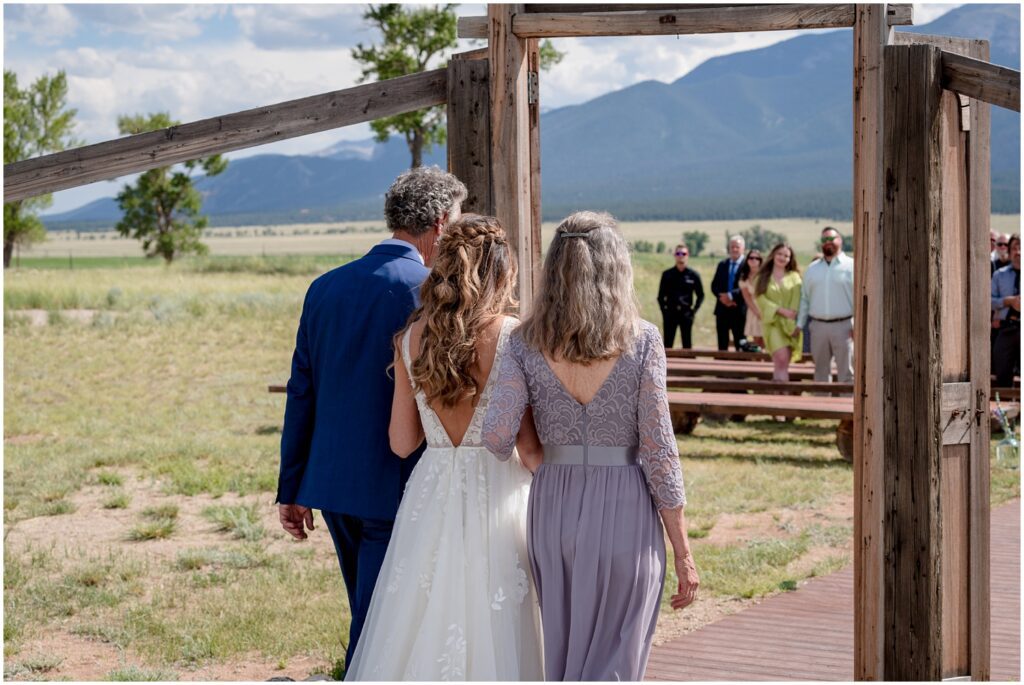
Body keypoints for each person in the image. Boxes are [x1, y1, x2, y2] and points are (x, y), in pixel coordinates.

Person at [483, 211, 699, 681]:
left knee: (563, 652)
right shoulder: (643, 341)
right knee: (617, 658)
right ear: (616, 268)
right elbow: (660, 451)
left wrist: (541, 448)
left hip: (553, 508)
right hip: (625, 507)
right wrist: (683, 552)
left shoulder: (522, 342)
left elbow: (496, 437)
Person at [276, 166, 467, 670]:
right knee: (381, 620)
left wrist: (292, 486)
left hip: (333, 484)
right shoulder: (436, 294)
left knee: (371, 610)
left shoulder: (324, 288)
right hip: (401, 481)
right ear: (441, 223)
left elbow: (302, 392)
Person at [346, 215, 543, 680]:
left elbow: (401, 443)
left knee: (425, 613)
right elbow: (528, 447)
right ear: (499, 272)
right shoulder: (512, 336)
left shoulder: (411, 338)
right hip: (499, 490)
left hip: (431, 491)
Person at [796, 227, 854, 384]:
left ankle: (847, 401)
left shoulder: (852, 266)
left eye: (831, 238)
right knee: (820, 373)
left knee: (847, 372)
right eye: (824, 240)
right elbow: (805, 299)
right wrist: (800, 324)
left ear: (840, 240)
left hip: (845, 327)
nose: (828, 242)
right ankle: (821, 400)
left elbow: (859, 298)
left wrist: (856, 325)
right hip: (818, 327)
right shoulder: (812, 269)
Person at [755, 243, 803, 381]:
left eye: (786, 256)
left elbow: (796, 298)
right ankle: (781, 389)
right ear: (773, 255)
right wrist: (780, 310)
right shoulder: (762, 277)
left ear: (790, 259)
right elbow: (760, 299)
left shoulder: (794, 277)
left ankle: (780, 390)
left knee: (782, 363)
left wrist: (791, 315)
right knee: (781, 358)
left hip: (790, 325)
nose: (782, 258)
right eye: (779, 254)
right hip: (773, 323)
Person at [658, 243, 704, 348]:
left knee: (687, 344)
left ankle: (688, 359)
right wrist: (664, 312)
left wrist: (693, 311)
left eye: (683, 253)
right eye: (678, 253)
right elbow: (660, 296)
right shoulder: (667, 274)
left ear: (688, 255)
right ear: (674, 255)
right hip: (670, 313)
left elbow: (701, 295)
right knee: (668, 344)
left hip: (686, 314)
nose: (681, 256)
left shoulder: (693, 275)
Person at [991, 234, 1020, 388]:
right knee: (1001, 373)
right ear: (1009, 252)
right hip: (1006, 329)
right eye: (1014, 248)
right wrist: (1008, 301)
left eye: (1021, 248)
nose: (1018, 252)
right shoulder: (999, 275)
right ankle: (1004, 402)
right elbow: (989, 301)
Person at [711, 235, 747, 350]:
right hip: (722, 310)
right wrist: (722, 298)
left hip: (739, 310)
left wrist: (731, 296)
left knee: (740, 345)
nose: (734, 249)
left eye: (737, 247)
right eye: (732, 247)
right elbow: (714, 285)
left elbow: (748, 287)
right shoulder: (722, 264)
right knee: (722, 345)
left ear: (743, 248)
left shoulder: (747, 265)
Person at [737, 249, 764, 348]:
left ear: (760, 261)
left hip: (766, 309)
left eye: (757, 258)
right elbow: (747, 298)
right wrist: (758, 313)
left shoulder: (765, 275)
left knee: (768, 341)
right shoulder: (744, 278)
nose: (754, 260)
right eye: (751, 258)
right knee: (757, 343)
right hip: (753, 311)